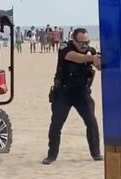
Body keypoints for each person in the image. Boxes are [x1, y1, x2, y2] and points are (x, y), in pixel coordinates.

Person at [42, 28, 102, 165]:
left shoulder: (91, 52)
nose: (84, 46)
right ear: (73, 40)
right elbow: (73, 56)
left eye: (86, 42)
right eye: (81, 43)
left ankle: (96, 153)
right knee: (56, 125)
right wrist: (91, 58)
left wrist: (99, 61)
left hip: (82, 93)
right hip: (63, 93)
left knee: (91, 122)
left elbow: (99, 65)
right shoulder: (65, 47)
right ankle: (51, 155)